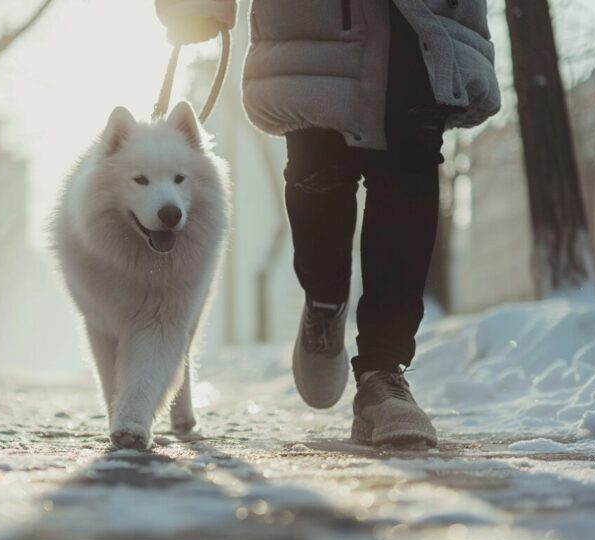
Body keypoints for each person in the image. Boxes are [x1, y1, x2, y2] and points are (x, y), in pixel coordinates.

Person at [155, 0, 500, 446]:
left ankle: (382, 374)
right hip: (312, 17)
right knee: (318, 170)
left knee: (408, 171)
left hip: (420, 16)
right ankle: (324, 300)